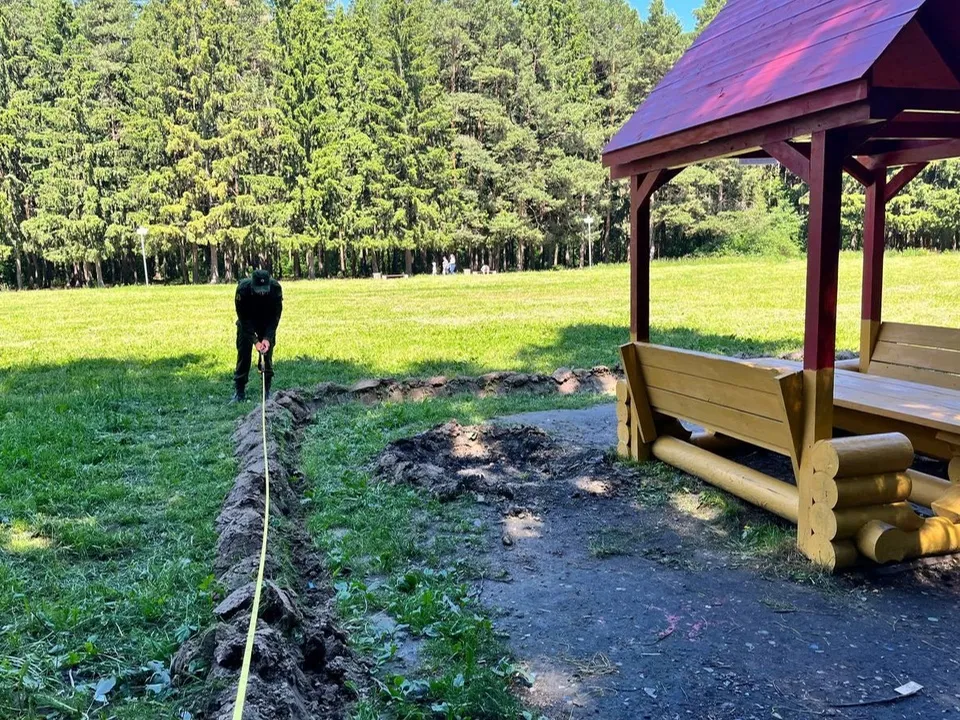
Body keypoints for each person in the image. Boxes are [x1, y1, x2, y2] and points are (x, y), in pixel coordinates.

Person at [232, 269, 283, 403]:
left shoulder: (275, 289)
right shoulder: (242, 290)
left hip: (266, 323)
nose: (261, 293)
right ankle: (239, 391)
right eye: (258, 289)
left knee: (267, 355)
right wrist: (255, 341)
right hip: (247, 322)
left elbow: (275, 317)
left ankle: (266, 391)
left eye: (264, 290)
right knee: (243, 354)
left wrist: (267, 338)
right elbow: (243, 318)